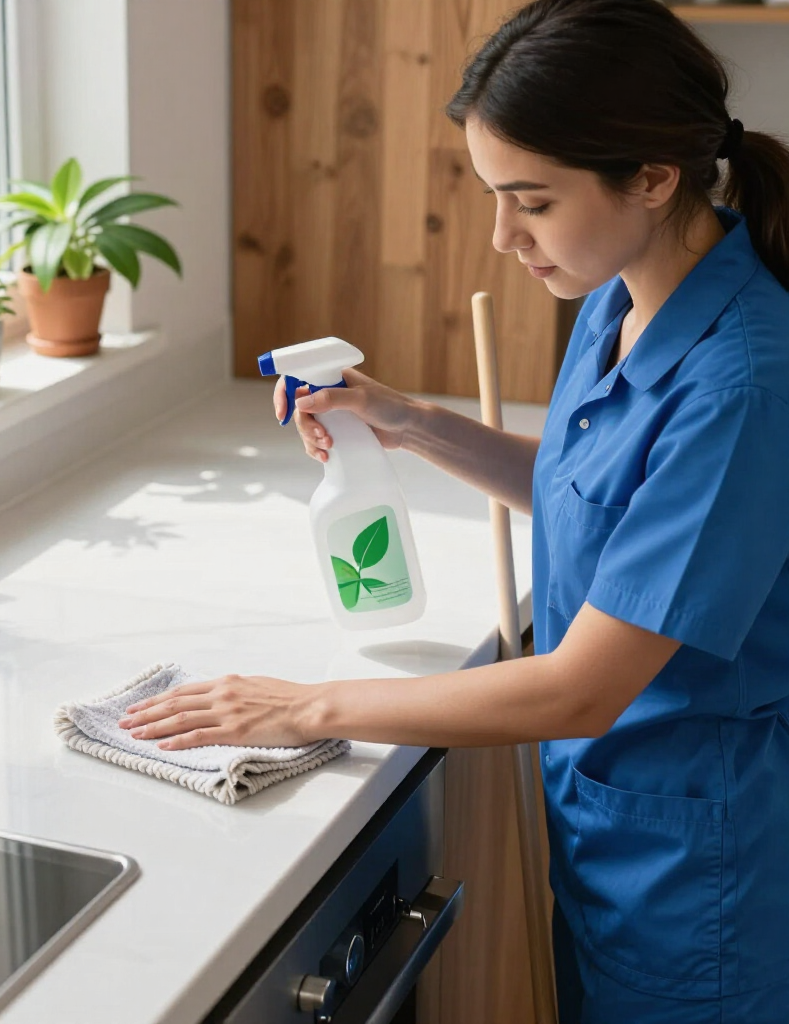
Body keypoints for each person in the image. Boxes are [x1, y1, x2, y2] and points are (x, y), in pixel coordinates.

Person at [119, 1, 789, 1019]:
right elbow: (590, 498)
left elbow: (580, 691)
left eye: (530, 201)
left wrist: (303, 706)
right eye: (490, 195)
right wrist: (406, 422)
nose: (500, 237)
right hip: (617, 832)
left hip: (701, 876)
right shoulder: (621, 290)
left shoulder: (741, 386)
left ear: (651, 178)